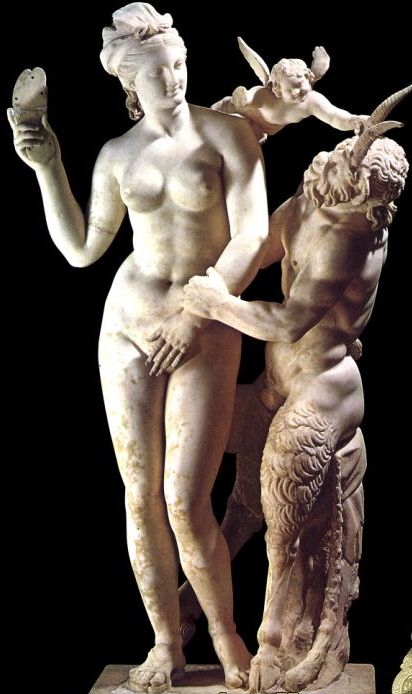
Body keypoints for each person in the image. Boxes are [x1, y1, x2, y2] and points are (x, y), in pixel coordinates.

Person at [8, 3, 269, 691]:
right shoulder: (118, 156)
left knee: (185, 499)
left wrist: (196, 313)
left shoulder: (225, 135)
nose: (175, 80)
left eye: (180, 65)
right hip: (127, 325)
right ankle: (164, 644)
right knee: (139, 495)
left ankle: (225, 634)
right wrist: (48, 167)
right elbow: (81, 248)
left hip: (204, 325)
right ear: (130, 82)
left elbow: (250, 235)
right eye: (158, 73)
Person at [183, 112, 409, 692]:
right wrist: (202, 277)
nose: (328, 161)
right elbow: (258, 249)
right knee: (232, 491)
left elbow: (288, 322)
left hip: (322, 390)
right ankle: (191, 601)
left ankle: (276, 641)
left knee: (283, 520)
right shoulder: (312, 198)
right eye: (338, 152)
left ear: (362, 193)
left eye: (344, 162)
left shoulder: (350, 239)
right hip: (276, 379)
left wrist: (215, 304)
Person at [212, 38, 368, 142]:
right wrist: (243, 97)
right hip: (238, 111)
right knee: (223, 117)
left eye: (300, 85)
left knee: (247, 139)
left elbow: (334, 116)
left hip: (261, 129)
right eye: (291, 89)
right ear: (278, 91)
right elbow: (249, 96)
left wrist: (354, 120)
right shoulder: (266, 95)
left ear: (308, 78)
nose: (298, 92)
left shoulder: (312, 101)